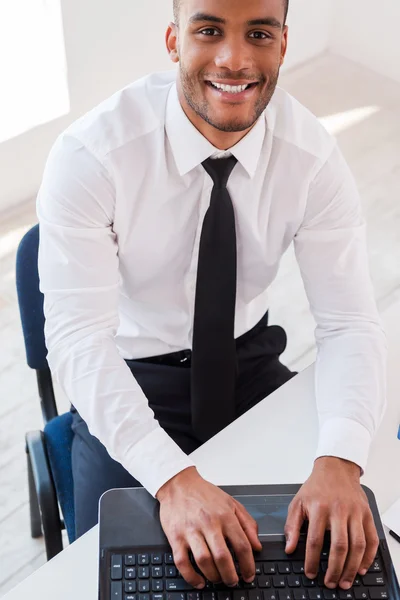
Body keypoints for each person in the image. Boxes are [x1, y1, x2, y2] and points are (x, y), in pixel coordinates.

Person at [37, 0, 387, 592]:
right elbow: (79, 341)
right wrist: (173, 480)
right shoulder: (92, 155)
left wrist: (341, 460)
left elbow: (350, 323)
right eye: (209, 30)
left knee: (339, 554)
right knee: (131, 574)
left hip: (247, 365)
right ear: (174, 41)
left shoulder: (310, 156)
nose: (234, 59)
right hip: (131, 376)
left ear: (282, 44)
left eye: (258, 33)